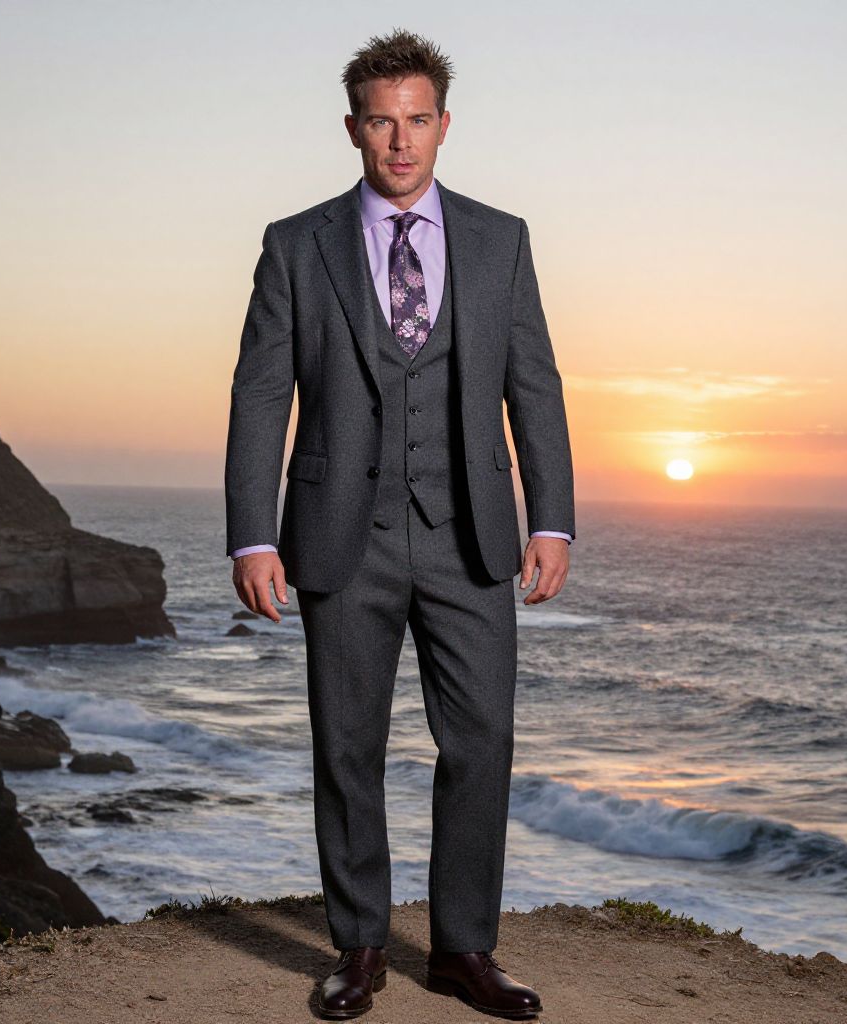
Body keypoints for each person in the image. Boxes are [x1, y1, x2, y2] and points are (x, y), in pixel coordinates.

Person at [225, 28, 575, 1020]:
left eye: (417, 119)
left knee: (484, 737)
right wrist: (253, 536)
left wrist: (551, 518)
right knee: (347, 745)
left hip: (471, 534)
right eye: (381, 121)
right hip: (342, 533)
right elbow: (259, 396)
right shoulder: (296, 244)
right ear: (353, 128)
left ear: (443, 124)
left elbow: (532, 384)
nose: (400, 141)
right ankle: (360, 944)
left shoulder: (500, 238)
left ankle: (464, 946)